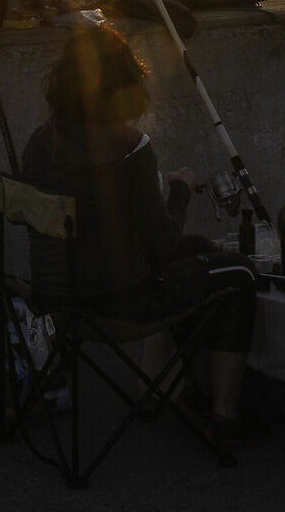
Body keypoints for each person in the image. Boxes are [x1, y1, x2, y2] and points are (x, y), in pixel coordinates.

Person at [18, 25, 263, 444]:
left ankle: (184, 390)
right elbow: (161, 244)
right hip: (119, 302)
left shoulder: (40, 143)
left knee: (199, 250)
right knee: (239, 274)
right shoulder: (131, 148)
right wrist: (180, 191)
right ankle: (226, 415)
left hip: (57, 299)